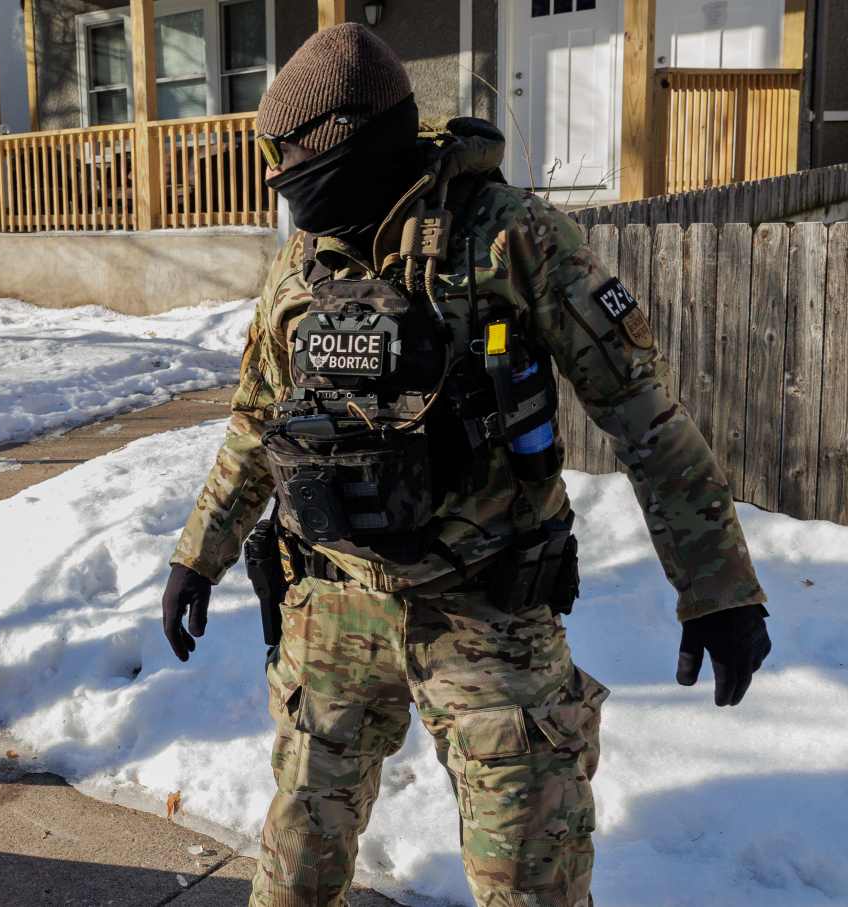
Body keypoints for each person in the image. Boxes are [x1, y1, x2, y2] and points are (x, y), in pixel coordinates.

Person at [161, 25, 771, 907]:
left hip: (488, 613)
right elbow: (257, 420)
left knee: (532, 885)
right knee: (294, 876)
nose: (278, 175)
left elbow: (642, 414)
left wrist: (718, 587)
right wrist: (197, 554)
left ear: (351, 136)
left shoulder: (510, 237)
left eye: (291, 152)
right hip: (330, 608)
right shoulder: (303, 262)